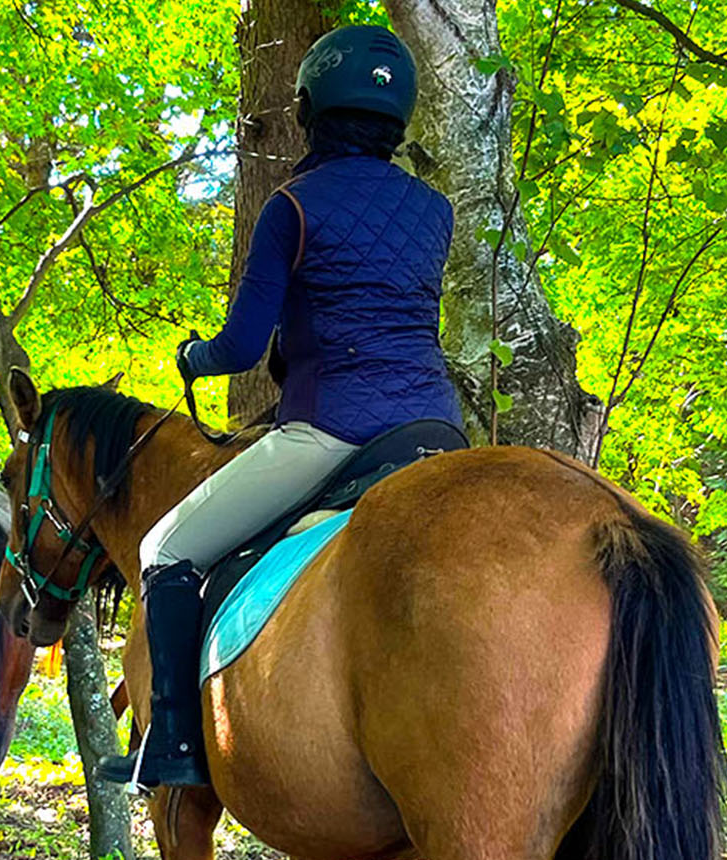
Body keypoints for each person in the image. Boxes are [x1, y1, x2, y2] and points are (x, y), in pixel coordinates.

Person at [93, 25, 464, 789]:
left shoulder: (292, 208)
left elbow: (237, 348)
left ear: (308, 109)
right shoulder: (435, 210)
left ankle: (172, 746)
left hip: (334, 430)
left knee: (165, 549)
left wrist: (192, 357)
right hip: (434, 427)